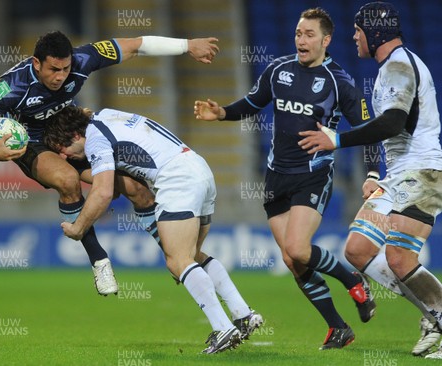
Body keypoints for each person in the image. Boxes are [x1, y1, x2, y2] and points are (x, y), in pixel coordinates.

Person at [0, 31, 220, 296]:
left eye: (65, 68)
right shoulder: (13, 85)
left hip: (69, 132)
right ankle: (99, 260)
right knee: (68, 180)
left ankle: (173, 255)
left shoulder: (84, 58)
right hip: (33, 142)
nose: (61, 76)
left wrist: (187, 45)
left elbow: (136, 45)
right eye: (53, 69)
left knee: (136, 188)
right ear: (37, 64)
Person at [193, 7, 376, 350]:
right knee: (293, 261)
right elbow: (251, 103)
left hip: (313, 175)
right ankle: (338, 328)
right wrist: (221, 114)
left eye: (308, 35)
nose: (301, 40)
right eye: (297, 33)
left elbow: (369, 130)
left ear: (326, 40)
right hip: (276, 176)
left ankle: (353, 281)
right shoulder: (278, 69)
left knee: (296, 248)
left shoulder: (340, 81)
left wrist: (373, 172)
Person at [42, 105, 264, 354]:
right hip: (199, 169)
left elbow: (103, 192)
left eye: (63, 150)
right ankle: (243, 314)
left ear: (74, 136)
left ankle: (223, 328)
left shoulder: (95, 139)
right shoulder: (105, 115)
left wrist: (78, 228)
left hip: (177, 179)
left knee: (177, 261)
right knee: (192, 258)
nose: (64, 157)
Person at [298, 2, 442, 358]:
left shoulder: (398, 66)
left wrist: (337, 139)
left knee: (399, 258)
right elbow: (389, 131)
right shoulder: (388, 68)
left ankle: (437, 313)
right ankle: (431, 311)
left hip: (422, 172)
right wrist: (376, 173)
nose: (354, 36)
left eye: (358, 30)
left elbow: (392, 122)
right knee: (358, 250)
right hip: (397, 175)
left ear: (374, 32)